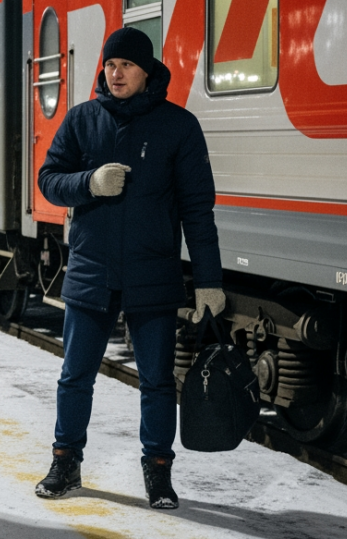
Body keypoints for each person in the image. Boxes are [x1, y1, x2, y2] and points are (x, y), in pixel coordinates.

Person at [33, 27, 225, 509]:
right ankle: (65, 461)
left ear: (147, 72)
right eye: (111, 65)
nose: (116, 73)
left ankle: (158, 470)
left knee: (158, 380)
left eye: (127, 66)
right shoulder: (82, 120)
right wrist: (88, 183)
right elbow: (49, 181)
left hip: (152, 273)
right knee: (76, 375)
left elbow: (198, 208)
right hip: (91, 271)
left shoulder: (178, 126)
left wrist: (209, 280)